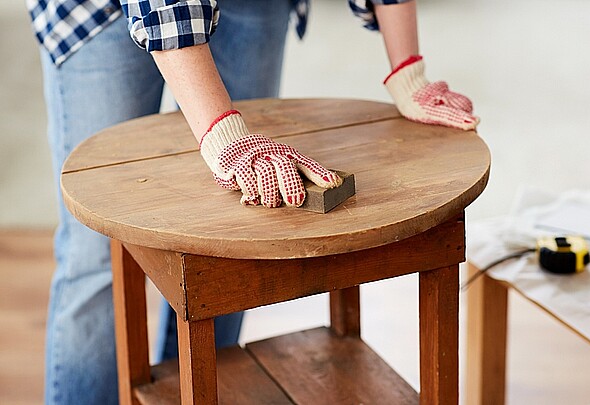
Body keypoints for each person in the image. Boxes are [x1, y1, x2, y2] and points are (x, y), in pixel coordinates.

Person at [26, 0, 479, 403]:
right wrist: (222, 130)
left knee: (228, 241)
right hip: (94, 13)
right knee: (96, 254)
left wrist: (407, 69)